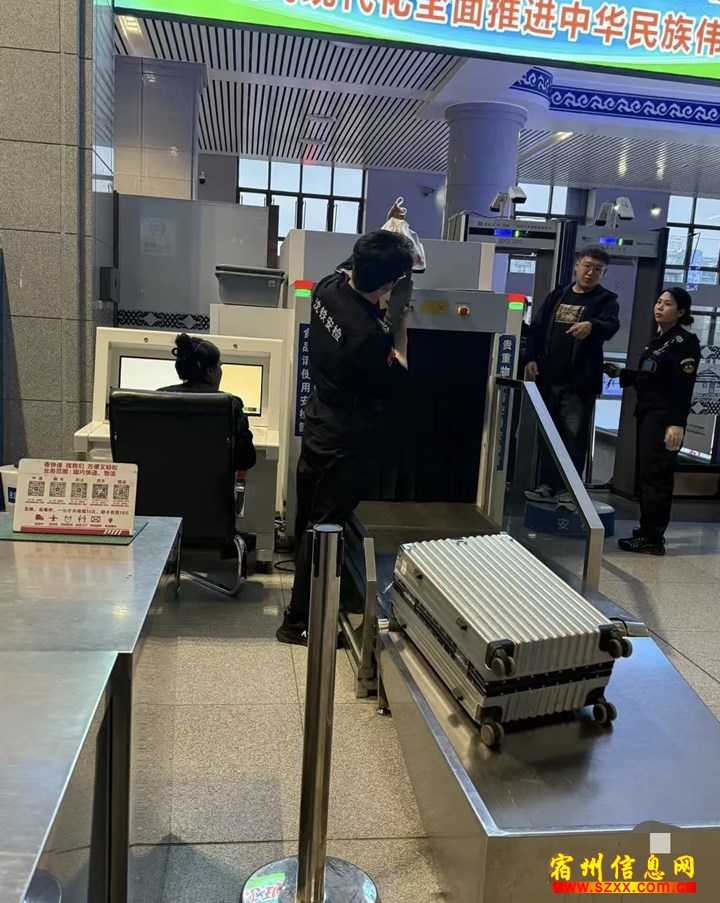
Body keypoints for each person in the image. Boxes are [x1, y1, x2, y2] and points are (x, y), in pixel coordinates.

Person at [276, 230, 414, 646]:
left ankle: (320, 600)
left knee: (309, 519)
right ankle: (300, 622)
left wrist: (392, 233)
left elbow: (354, 267)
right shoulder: (368, 338)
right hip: (347, 438)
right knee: (325, 528)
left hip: (320, 421)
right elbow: (398, 376)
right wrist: (400, 327)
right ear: (388, 284)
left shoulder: (326, 287)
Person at [609, 288, 700, 556]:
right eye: (659, 302)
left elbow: (682, 387)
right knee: (647, 475)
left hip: (663, 416)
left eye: (667, 304)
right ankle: (647, 528)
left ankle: (653, 537)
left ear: (680, 312)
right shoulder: (659, 341)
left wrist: (676, 424)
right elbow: (650, 377)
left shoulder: (684, 342)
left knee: (657, 476)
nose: (659, 307)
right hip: (648, 412)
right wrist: (622, 374)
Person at [524, 246, 620, 502]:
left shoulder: (605, 301)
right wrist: (531, 357)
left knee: (574, 437)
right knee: (549, 435)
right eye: (587, 266)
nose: (590, 273)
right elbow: (537, 328)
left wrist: (592, 325)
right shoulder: (558, 294)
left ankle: (570, 489)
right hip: (549, 378)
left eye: (597, 269)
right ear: (577, 265)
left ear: (604, 273)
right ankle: (547, 484)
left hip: (579, 383)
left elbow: (611, 324)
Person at [160, 333, 256, 472]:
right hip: (211, 485)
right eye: (219, 365)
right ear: (210, 371)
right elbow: (246, 459)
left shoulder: (159, 398)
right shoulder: (229, 404)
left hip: (162, 483)